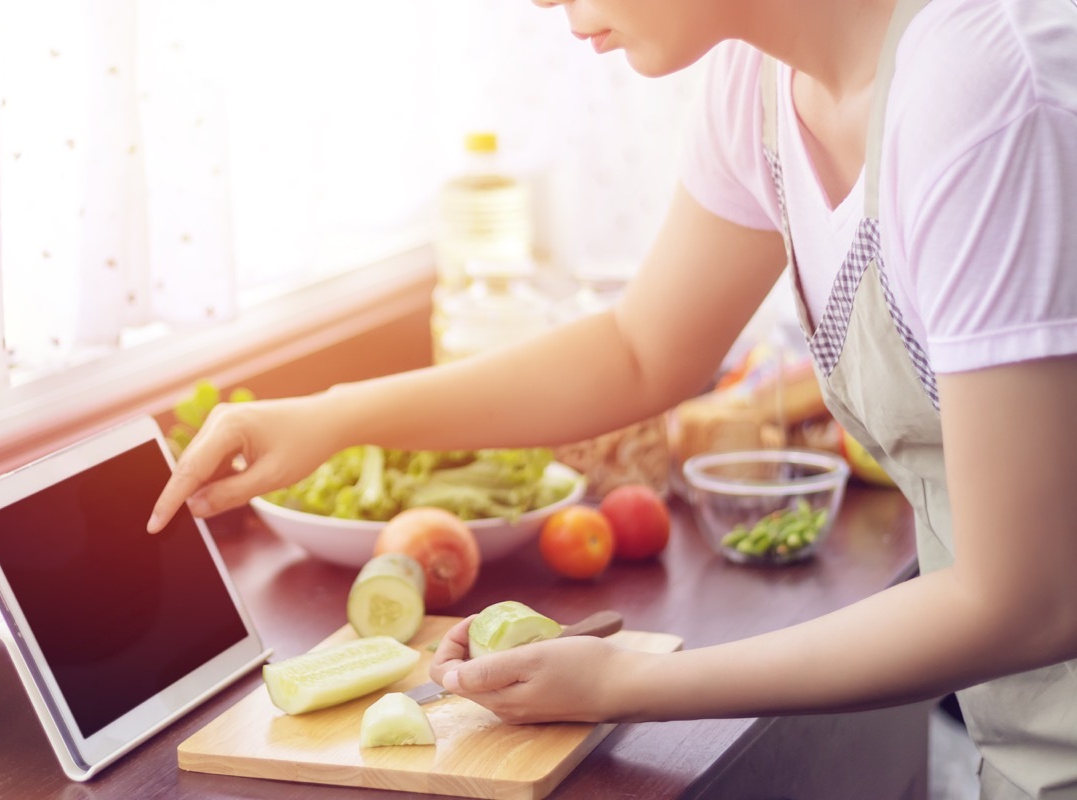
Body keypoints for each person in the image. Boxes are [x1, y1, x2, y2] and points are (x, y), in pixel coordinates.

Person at [148, 0, 1077, 796]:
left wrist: (623, 682)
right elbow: (643, 350)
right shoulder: (757, 87)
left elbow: (1023, 599)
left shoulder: (981, 90)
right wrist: (334, 417)